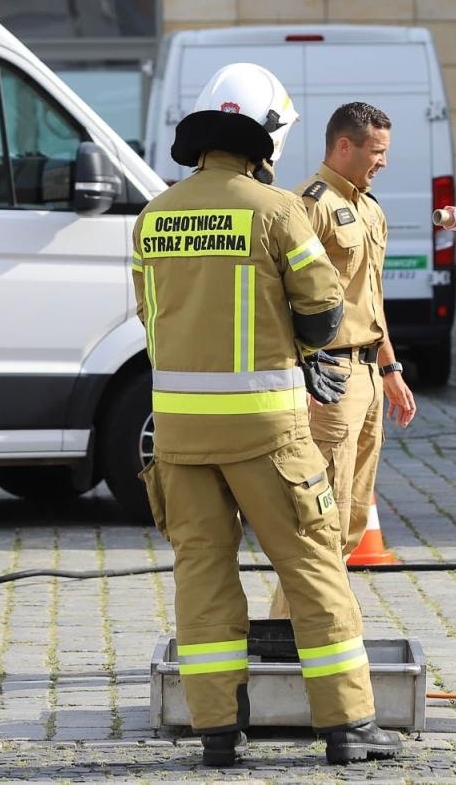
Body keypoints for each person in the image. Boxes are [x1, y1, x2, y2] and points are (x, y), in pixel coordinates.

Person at [132, 63, 402, 767]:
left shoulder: (153, 215)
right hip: (268, 433)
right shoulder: (278, 208)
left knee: (202, 574)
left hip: (180, 437)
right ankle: (348, 726)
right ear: (266, 139)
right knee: (313, 566)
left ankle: (217, 732)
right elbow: (321, 311)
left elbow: (149, 318)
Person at [268, 104, 415, 618]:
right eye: (377, 152)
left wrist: (391, 368)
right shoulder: (309, 206)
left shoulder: (370, 209)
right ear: (344, 146)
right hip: (328, 377)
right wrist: (303, 370)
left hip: (369, 374)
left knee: (352, 517)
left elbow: (369, 297)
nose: (383, 162)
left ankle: (307, 626)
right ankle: (293, 632)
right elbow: (284, 294)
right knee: (318, 519)